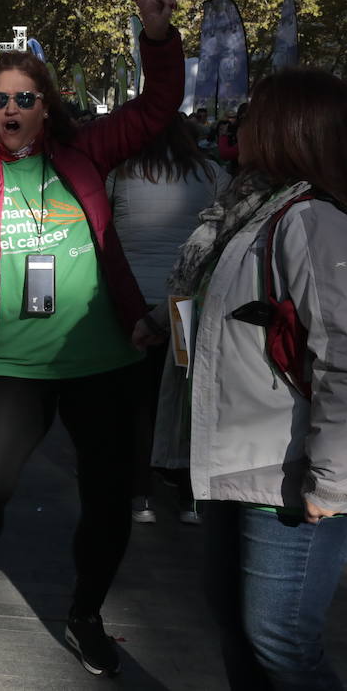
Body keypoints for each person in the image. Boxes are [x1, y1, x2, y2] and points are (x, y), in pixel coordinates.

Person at [0, 0, 183, 676]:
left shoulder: (86, 153)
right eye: (0, 100)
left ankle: (86, 612)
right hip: (15, 369)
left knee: (109, 505)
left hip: (104, 362)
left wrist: (157, 35)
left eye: (26, 98)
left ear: (46, 108)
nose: (13, 108)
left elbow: (159, 106)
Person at [154, 68, 347, 690]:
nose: (239, 124)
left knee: (281, 640)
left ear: (289, 127)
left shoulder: (316, 221)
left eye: (253, 113)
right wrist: (158, 321)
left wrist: (331, 483)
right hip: (245, 463)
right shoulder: (254, 210)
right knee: (241, 630)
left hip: (292, 473)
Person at [107, 113, 225, 525]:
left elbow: (101, 230)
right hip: (187, 306)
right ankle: (191, 497)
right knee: (188, 401)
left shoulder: (121, 175)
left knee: (137, 401)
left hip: (132, 304)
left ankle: (139, 495)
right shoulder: (212, 175)